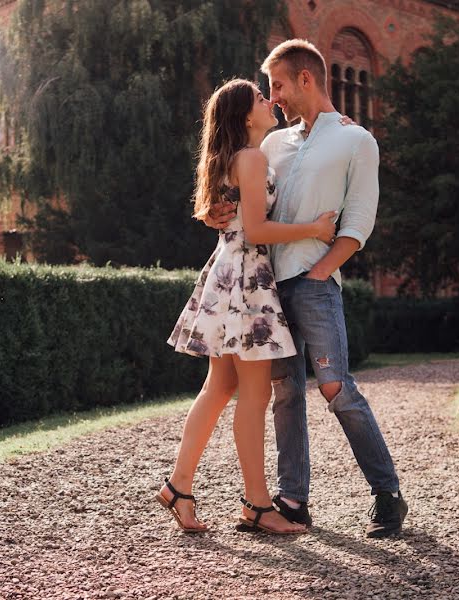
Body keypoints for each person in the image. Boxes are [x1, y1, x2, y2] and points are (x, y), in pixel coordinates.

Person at [206, 39, 407, 538]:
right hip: (265, 291)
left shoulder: (357, 141)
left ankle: (388, 495)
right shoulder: (273, 143)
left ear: (305, 79)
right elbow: (250, 207)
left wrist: (321, 272)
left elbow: (358, 224)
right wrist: (216, 212)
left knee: (337, 389)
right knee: (286, 393)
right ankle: (293, 499)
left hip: (315, 287)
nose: (272, 97)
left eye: (276, 85)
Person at [157, 78, 337, 534]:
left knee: (218, 389)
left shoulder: (239, 157)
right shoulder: (252, 158)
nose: (270, 100)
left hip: (228, 274)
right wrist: (314, 230)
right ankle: (256, 504)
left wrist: (335, 122)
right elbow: (255, 231)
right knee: (253, 395)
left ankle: (179, 487)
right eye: (261, 98)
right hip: (246, 278)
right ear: (244, 116)